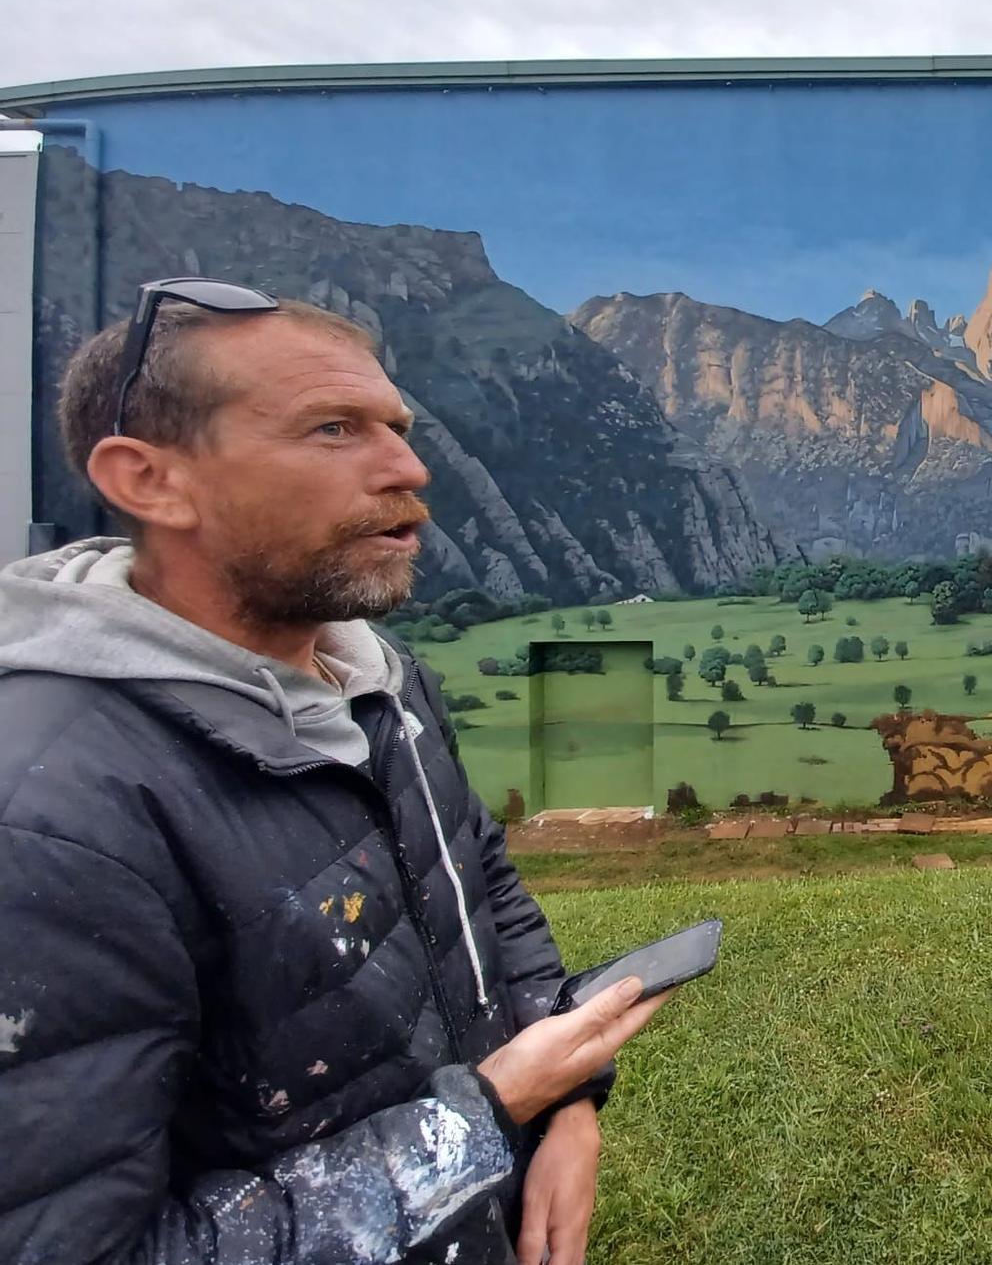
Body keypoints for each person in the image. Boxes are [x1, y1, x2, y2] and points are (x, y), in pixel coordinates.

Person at [0, 280, 670, 1265]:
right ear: (150, 480)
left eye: (395, 427)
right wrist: (483, 1118)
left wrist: (561, 1105)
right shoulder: (48, 813)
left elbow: (480, 889)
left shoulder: (379, 677)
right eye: (332, 429)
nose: (409, 465)